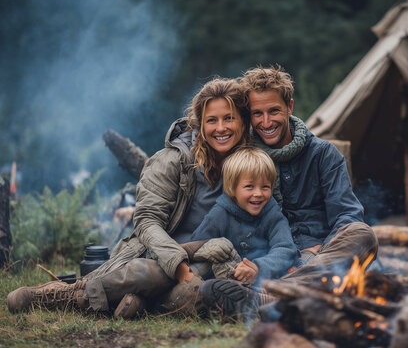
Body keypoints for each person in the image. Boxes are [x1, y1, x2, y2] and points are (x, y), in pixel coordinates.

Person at [7, 78, 251, 318]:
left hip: (210, 265)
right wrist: (177, 264)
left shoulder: (252, 166)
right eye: (212, 120)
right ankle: (66, 295)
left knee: (202, 295)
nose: (221, 128)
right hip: (158, 257)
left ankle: (141, 301)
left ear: (242, 122)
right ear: (200, 124)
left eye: (229, 118)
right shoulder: (172, 160)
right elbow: (146, 220)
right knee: (151, 274)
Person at [201, 66, 379, 315]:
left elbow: (346, 216)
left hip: (319, 259)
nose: (266, 122)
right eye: (257, 114)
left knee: (362, 234)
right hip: (265, 261)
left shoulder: (323, 155)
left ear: (290, 107)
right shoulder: (243, 157)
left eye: (274, 111)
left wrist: (315, 257)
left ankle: (273, 296)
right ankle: (292, 297)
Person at [190, 147, 298, 286]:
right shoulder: (219, 214)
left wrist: (259, 267)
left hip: (264, 275)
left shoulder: (272, 212)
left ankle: (266, 295)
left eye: (265, 187)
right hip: (229, 277)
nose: (258, 193)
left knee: (293, 270)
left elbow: (286, 248)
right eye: (249, 186)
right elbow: (198, 246)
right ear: (232, 188)